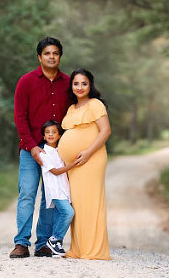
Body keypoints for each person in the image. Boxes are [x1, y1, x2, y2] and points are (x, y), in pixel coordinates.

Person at [11, 37, 71, 258]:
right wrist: (33, 147)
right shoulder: (26, 82)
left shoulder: (68, 83)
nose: (51, 57)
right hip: (30, 150)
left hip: (57, 153)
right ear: (39, 57)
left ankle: (44, 243)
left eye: (55, 53)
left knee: (51, 197)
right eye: (47, 53)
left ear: (60, 56)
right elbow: (20, 117)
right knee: (27, 194)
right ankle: (21, 243)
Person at [57, 68, 111, 260]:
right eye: (76, 83)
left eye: (84, 83)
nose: (80, 87)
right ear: (71, 86)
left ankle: (94, 250)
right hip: (74, 165)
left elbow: (105, 131)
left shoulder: (95, 104)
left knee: (91, 203)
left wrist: (88, 152)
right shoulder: (72, 109)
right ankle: (78, 249)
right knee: (77, 205)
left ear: (90, 85)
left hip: (92, 159)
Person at [37, 120, 75, 257]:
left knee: (59, 216)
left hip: (64, 190)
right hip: (55, 191)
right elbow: (56, 171)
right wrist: (74, 164)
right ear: (43, 136)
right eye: (47, 132)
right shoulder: (43, 154)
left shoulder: (61, 151)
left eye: (54, 132)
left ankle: (54, 246)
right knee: (68, 212)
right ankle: (54, 240)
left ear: (59, 135)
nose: (50, 134)